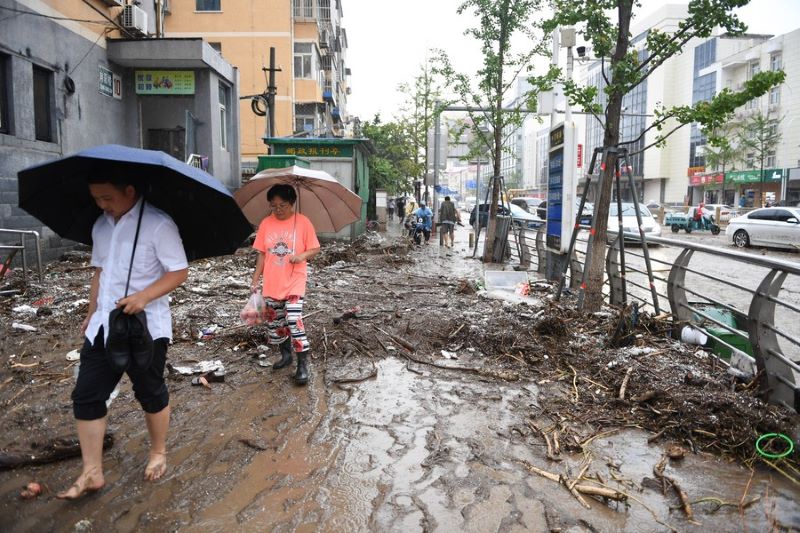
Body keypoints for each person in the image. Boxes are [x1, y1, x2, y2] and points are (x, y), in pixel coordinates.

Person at [58, 176, 189, 499]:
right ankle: (91, 471)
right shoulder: (101, 226)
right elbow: (100, 272)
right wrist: (92, 312)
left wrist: (143, 296)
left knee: (150, 391)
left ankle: (158, 450)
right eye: (97, 198)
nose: (103, 205)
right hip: (103, 326)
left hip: (146, 328)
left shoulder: (158, 225)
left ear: (130, 190)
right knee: (87, 394)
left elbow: (178, 271)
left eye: (107, 197)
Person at [250, 184, 320, 386]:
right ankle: (286, 355)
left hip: (295, 279)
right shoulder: (266, 224)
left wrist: (301, 256)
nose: (278, 210)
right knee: (276, 322)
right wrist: (255, 279)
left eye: (283, 205)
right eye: (274, 206)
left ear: (292, 204)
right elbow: (262, 254)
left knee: (293, 318)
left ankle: (302, 365)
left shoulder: (303, 222)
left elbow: (315, 248)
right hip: (273, 280)